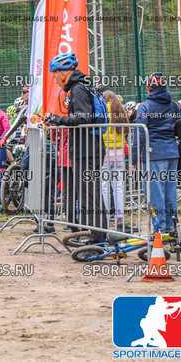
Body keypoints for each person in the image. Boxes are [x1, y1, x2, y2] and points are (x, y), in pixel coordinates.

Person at [43, 51, 107, 242]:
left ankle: (97, 239)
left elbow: (83, 118)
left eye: (55, 74)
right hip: (89, 148)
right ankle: (97, 236)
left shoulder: (78, 89)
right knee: (91, 194)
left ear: (64, 72)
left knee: (89, 195)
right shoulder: (83, 86)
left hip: (87, 150)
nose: (55, 79)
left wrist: (58, 119)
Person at [133, 72, 181, 234]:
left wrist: (134, 158)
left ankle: (160, 230)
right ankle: (171, 227)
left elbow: (139, 133)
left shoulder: (145, 107)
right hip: (172, 153)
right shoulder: (175, 105)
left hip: (154, 155)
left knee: (155, 194)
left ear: (149, 88)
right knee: (170, 192)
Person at [101, 90, 128, 229]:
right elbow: (126, 131)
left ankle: (105, 217)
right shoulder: (121, 110)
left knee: (104, 186)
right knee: (118, 187)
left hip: (106, 151)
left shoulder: (103, 109)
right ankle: (120, 218)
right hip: (119, 151)